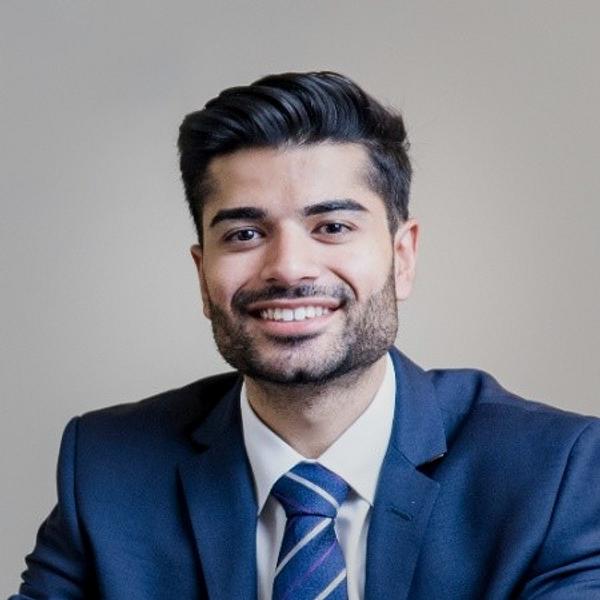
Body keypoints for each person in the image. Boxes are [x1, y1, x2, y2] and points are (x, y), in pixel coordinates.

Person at [11, 71, 600, 600]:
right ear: (202, 273)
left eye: (333, 226)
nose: (289, 268)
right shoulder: (108, 468)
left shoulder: (555, 475)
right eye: (244, 234)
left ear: (402, 258)